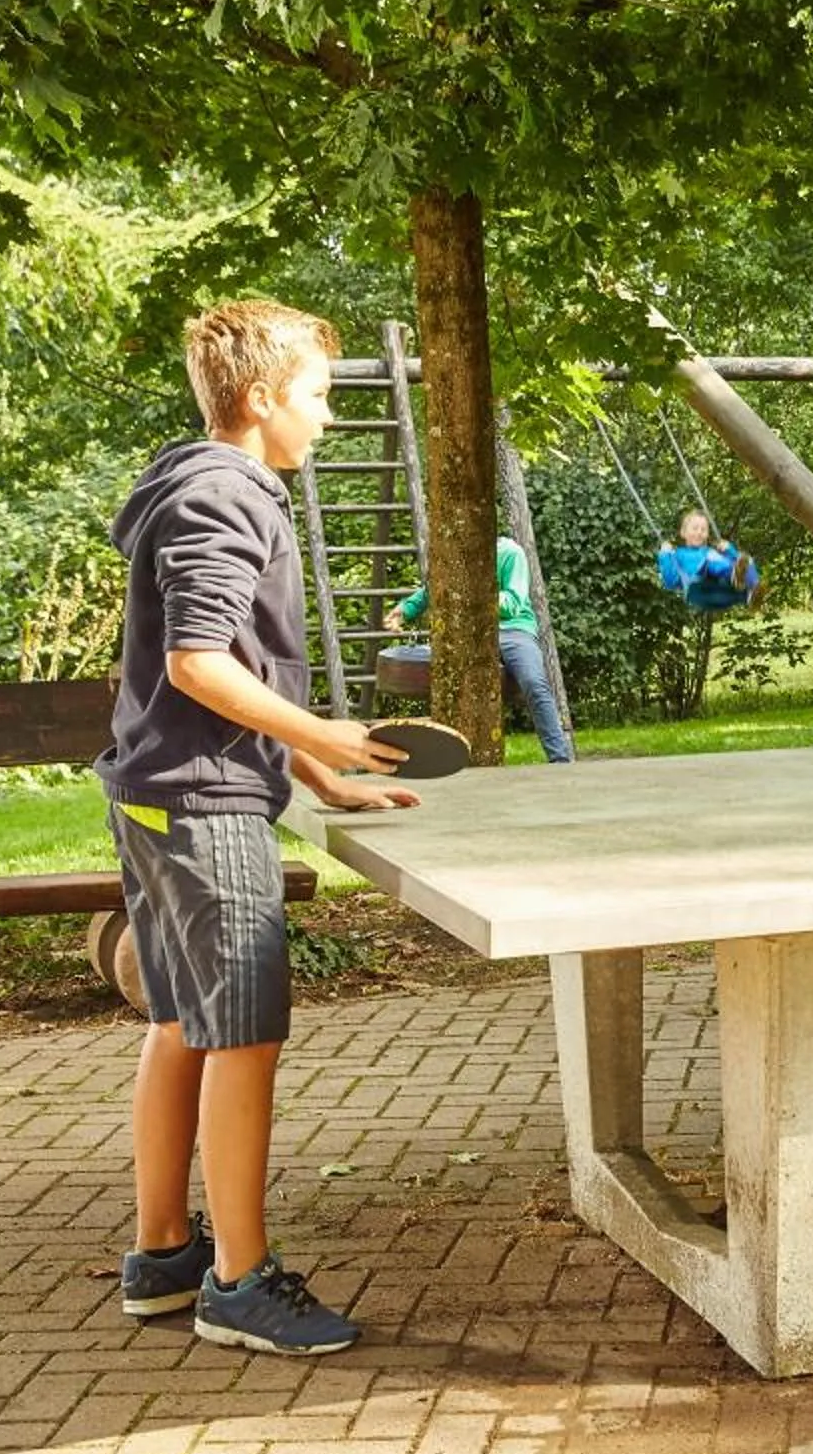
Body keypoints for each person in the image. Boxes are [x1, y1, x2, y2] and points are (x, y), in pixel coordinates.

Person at [98, 298, 422, 1358]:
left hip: (154, 789)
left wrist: (316, 769)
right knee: (244, 1031)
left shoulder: (181, 479)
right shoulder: (231, 497)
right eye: (319, 398)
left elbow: (187, 683)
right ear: (264, 397)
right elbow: (200, 662)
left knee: (182, 1019)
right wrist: (321, 723)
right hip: (202, 808)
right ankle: (239, 1279)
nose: (327, 419)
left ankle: (163, 1253)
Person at [383, 535, 574, 762]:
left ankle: (560, 759)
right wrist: (403, 611)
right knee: (443, 681)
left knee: (534, 683)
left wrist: (474, 592)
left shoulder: (510, 553)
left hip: (512, 632)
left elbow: (513, 604)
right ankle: (443, 758)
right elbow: (431, 591)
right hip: (468, 635)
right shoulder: (454, 557)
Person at [656, 508, 761, 611]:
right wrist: (665, 555)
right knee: (711, 558)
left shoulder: (710, 551)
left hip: (719, 590)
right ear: (683, 532)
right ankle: (733, 574)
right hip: (697, 589)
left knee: (747, 559)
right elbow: (670, 582)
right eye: (695, 528)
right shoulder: (678, 554)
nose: (699, 532)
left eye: (703, 529)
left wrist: (729, 549)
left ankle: (752, 590)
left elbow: (740, 561)